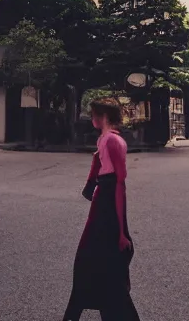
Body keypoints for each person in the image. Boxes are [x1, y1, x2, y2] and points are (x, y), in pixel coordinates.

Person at [63, 99, 140, 321]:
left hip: (106, 208)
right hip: (102, 205)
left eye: (94, 114)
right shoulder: (104, 140)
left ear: (103, 116)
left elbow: (118, 185)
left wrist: (122, 231)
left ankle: (76, 312)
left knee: (91, 260)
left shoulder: (112, 141)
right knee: (95, 261)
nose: (92, 118)